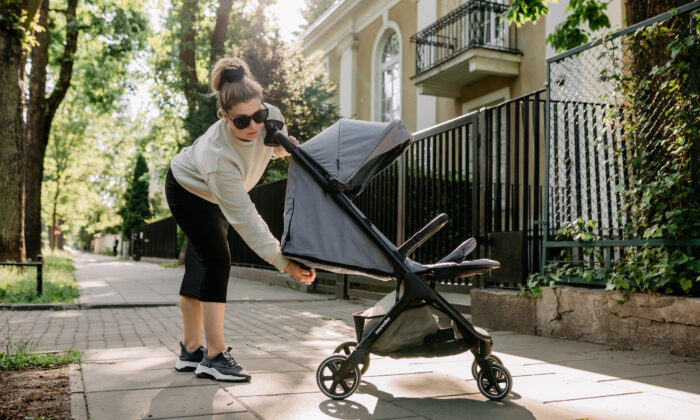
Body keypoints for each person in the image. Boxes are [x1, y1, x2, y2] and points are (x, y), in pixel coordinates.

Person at [165, 57, 316, 382]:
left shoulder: (271, 117)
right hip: (188, 190)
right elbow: (245, 217)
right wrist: (282, 262)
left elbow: (271, 146)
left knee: (199, 264)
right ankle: (214, 356)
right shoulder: (218, 155)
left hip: (215, 191)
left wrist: (280, 150)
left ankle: (190, 350)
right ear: (224, 116)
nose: (254, 126)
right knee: (216, 260)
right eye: (242, 121)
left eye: (258, 115)